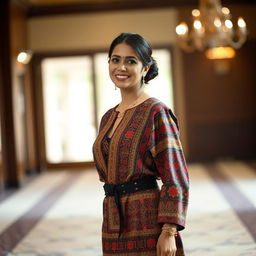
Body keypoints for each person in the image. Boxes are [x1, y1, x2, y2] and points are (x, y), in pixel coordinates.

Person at [93, 32, 189, 256]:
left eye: (131, 61)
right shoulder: (108, 117)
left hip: (146, 218)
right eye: (115, 60)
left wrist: (168, 230)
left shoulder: (157, 111)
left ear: (145, 68)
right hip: (112, 219)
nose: (121, 67)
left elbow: (176, 176)